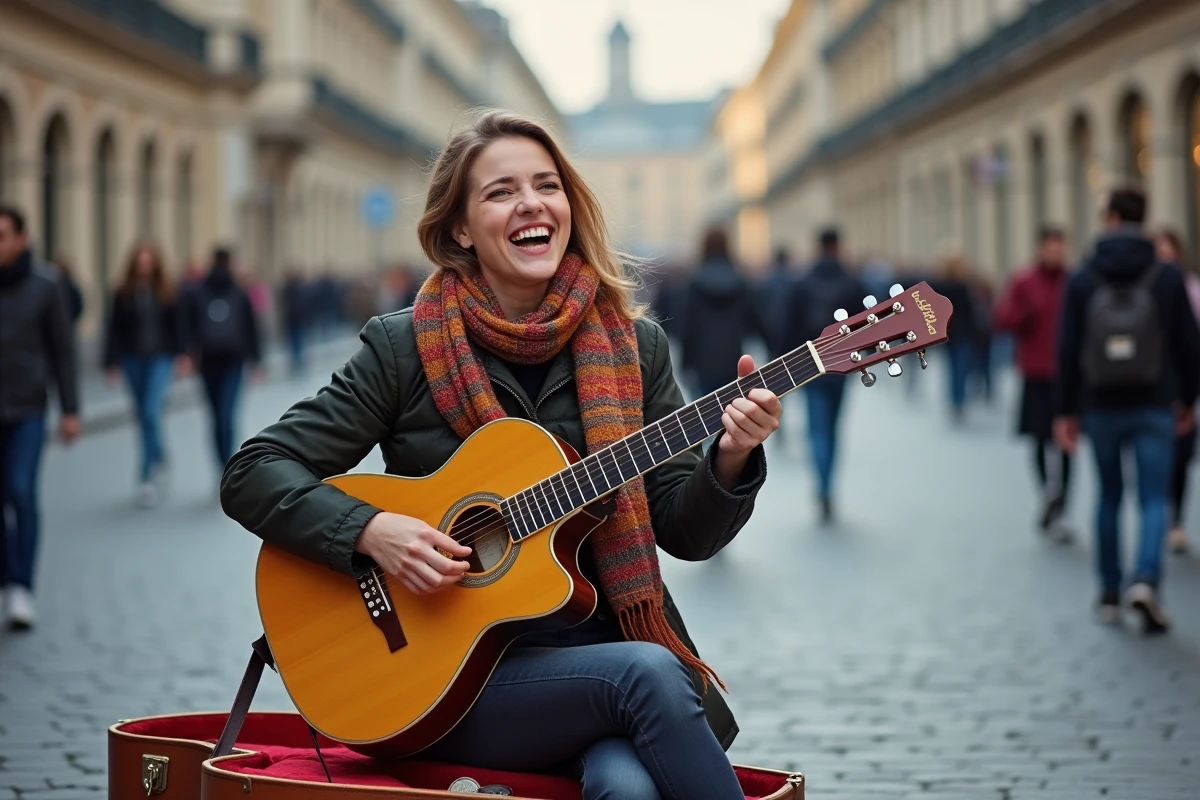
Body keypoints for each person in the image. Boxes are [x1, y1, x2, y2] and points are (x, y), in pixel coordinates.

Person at [220, 109, 781, 800]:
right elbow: (253, 470)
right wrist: (371, 531)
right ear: (461, 227)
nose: (531, 203)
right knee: (650, 674)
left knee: (627, 788)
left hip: (598, 663)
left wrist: (730, 458)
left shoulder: (636, 350)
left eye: (547, 185)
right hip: (447, 683)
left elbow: (685, 533)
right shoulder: (403, 350)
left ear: (569, 207)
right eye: (500, 191)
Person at [1054, 189, 1200, 633]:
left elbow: (1068, 347)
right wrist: (1187, 400)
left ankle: (1109, 593)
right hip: (1154, 401)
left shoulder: (1083, 275)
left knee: (1109, 497)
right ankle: (1146, 580)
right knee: (1154, 497)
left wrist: (1066, 411)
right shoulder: (1167, 275)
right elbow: (1189, 344)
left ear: (1112, 218)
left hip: (1100, 404)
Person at [0, 205, 80, 630]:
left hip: (28, 407)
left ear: (22, 239)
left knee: (21, 491)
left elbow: (63, 351)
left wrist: (70, 409)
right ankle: (6, 577)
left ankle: (21, 587)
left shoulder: (45, 286)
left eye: (2, 236)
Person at [994, 226, 1074, 542]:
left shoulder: (1073, 281)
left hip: (1067, 374)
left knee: (1067, 443)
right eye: (1050, 248)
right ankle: (1047, 494)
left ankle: (1061, 503)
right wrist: (1025, 313)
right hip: (1036, 372)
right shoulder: (1024, 281)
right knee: (1040, 440)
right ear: (1040, 248)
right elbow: (1003, 319)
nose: (1056, 253)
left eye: (1060, 248)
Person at [782, 227, 867, 523]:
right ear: (838, 246)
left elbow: (788, 327)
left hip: (810, 367)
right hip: (842, 366)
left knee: (817, 428)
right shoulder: (852, 282)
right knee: (832, 428)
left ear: (818, 246)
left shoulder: (802, 282)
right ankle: (829, 485)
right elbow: (865, 325)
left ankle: (822, 486)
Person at [104, 241, 187, 507]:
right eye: (140, 260)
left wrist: (182, 355)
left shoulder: (167, 292)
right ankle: (160, 455)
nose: (144, 265)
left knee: (151, 411)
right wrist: (110, 362)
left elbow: (178, 326)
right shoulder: (123, 293)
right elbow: (113, 329)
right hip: (132, 360)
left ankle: (147, 474)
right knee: (143, 416)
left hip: (160, 359)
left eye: (148, 260)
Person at [183, 246, 261, 473]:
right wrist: (256, 360)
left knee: (219, 415)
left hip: (212, 361)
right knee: (224, 415)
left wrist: (188, 353)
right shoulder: (238, 292)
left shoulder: (199, 291)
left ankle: (223, 462)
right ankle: (225, 462)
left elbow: (189, 326)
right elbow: (251, 328)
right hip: (230, 360)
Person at [679, 227, 760, 398]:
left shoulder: (695, 282)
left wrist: (685, 364)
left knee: (705, 411)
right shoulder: (740, 281)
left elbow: (688, 327)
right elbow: (754, 321)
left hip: (703, 361)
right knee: (734, 410)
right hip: (733, 358)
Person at [1157, 229, 1197, 555]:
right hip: (1151, 389)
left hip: (1180, 386)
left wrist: (1190, 396)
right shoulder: (1141, 287)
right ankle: (1160, 517)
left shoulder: (1191, 288)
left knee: (1180, 457)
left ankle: (1175, 520)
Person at [931, 248, 979, 424]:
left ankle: (954, 399)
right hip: (963, 334)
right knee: (961, 369)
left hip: (947, 333)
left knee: (952, 369)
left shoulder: (939, 285)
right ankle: (958, 400)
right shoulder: (964, 286)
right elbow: (971, 311)